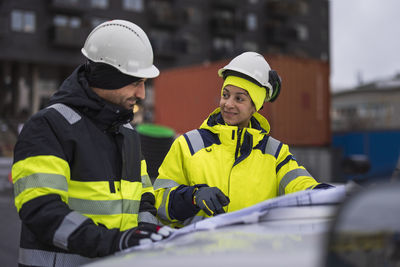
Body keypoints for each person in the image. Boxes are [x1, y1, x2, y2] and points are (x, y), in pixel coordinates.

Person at [11, 20, 173, 267]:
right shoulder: (49, 126)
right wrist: (115, 242)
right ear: (108, 78)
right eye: (135, 82)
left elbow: (144, 199)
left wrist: (146, 237)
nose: (141, 94)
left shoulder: (128, 134)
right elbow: (41, 210)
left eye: (144, 83)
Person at [153, 51, 332, 227]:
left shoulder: (276, 154)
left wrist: (328, 195)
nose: (228, 104)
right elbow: (159, 202)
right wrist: (192, 197)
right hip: (198, 254)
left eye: (239, 98)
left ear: (255, 105)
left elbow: (300, 185)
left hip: (252, 254)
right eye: (225, 94)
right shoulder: (187, 145)